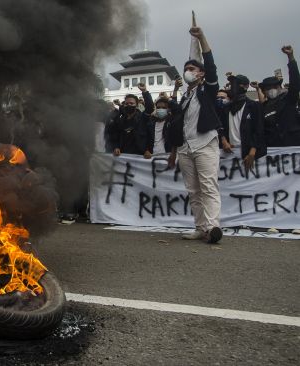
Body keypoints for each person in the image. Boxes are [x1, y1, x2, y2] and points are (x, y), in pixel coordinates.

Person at [167, 26, 223, 244]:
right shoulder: (185, 97)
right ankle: (200, 228)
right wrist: (174, 151)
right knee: (193, 190)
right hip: (185, 148)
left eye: (192, 68)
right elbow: (178, 124)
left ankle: (213, 227)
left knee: (208, 186)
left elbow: (211, 64)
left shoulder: (206, 90)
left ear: (201, 74)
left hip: (205, 143)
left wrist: (201, 38)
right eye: (186, 68)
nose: (188, 71)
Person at [219, 74, 266, 169]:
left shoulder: (254, 106)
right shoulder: (226, 107)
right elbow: (220, 126)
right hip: (229, 153)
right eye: (231, 84)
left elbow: (259, 130)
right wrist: (224, 141)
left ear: (245, 87)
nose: (232, 87)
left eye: (236, 84)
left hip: (247, 152)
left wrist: (252, 153)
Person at [260, 46, 299, 147]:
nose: (271, 90)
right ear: (264, 91)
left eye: (274, 86)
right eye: (268, 88)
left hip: (293, 145)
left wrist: (290, 57)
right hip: (274, 150)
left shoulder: (288, 99)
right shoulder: (263, 108)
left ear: (279, 87)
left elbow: (295, 82)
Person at [108, 83, 154, 158]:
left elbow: (150, 107)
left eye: (131, 103)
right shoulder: (120, 120)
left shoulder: (143, 118)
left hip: (141, 156)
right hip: (124, 156)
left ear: (136, 105)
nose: (129, 105)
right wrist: (116, 147)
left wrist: (144, 91)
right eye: (126, 103)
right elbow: (115, 136)